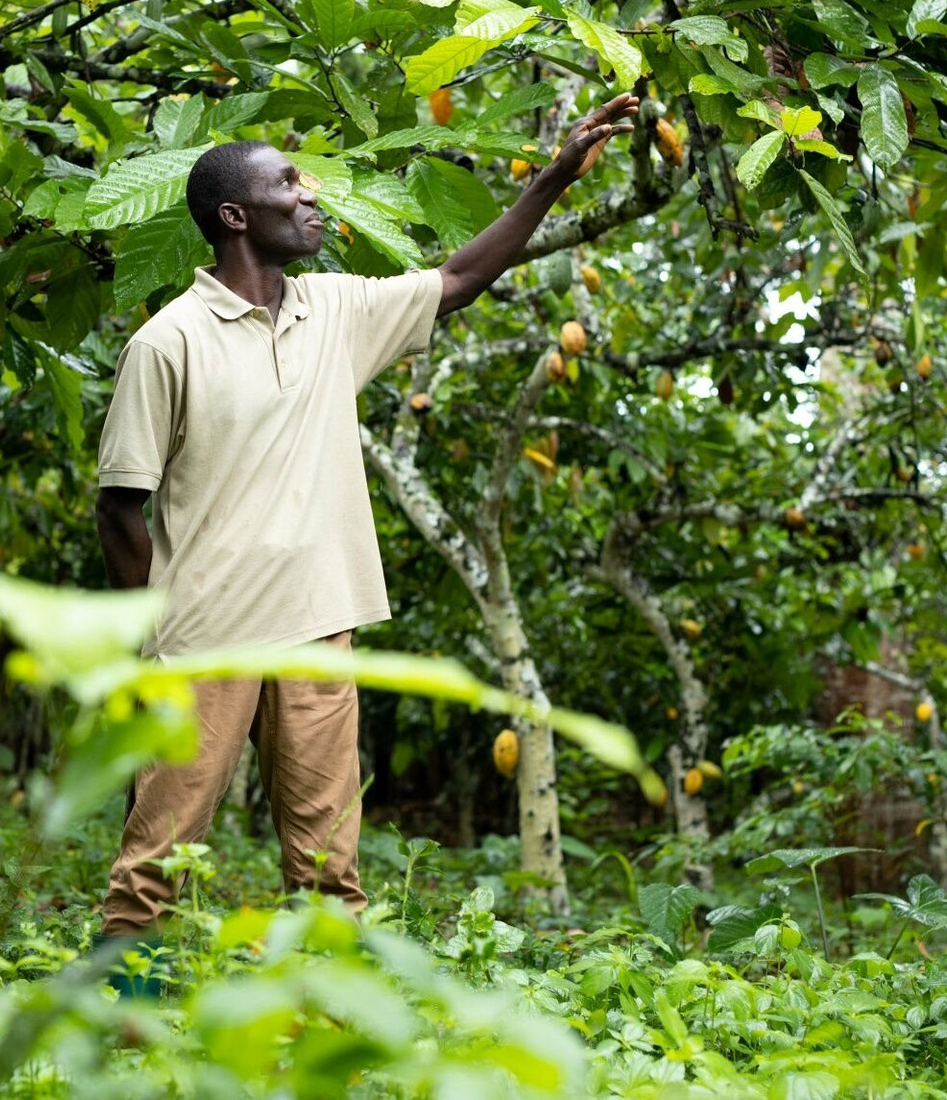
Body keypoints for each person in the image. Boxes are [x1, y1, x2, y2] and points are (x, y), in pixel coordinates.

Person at [93, 94, 639, 961]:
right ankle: (121, 1031)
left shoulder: (335, 312)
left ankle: (329, 1033)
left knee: (327, 866)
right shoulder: (169, 343)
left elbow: (456, 279)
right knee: (157, 858)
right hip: (204, 637)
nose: (310, 196)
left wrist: (552, 178)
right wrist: (146, 639)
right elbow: (121, 505)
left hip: (318, 625)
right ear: (236, 215)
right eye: (288, 184)